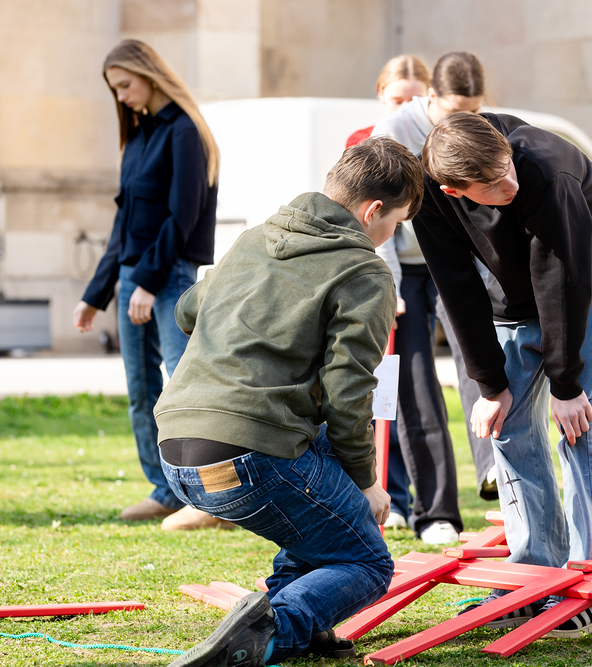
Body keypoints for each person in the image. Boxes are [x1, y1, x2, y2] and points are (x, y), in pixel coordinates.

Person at [153, 136, 424, 667]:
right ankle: (269, 631)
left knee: (319, 502)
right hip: (250, 454)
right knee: (367, 562)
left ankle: (300, 619)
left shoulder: (254, 239)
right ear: (372, 211)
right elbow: (348, 392)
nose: (392, 235)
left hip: (177, 453)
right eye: (397, 222)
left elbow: (187, 311)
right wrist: (367, 482)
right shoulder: (365, 272)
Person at [415, 112, 592, 635]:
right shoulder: (431, 195)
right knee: (507, 424)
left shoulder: (543, 169)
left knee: (579, 426)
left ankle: (590, 590)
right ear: (455, 191)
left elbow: (562, 278)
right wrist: (491, 385)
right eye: (492, 185)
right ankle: (532, 575)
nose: (508, 184)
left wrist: (566, 383)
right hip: (514, 292)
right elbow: (457, 288)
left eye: (506, 169)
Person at [72, 39, 226, 531]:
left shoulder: (184, 131)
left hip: (168, 273)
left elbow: (183, 216)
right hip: (133, 276)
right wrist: (94, 295)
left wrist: (148, 282)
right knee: (142, 391)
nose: (121, 96)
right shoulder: (137, 137)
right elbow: (124, 226)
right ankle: (166, 491)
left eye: (125, 85)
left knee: (185, 388)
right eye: (114, 89)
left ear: (149, 74)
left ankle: (210, 497)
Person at [365, 51, 494, 544]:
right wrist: (390, 283)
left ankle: (498, 476)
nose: (466, 121)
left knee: (483, 363)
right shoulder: (394, 130)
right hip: (407, 270)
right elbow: (377, 211)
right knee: (416, 385)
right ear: (432, 97)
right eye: (456, 111)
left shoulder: (482, 126)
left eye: (474, 111)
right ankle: (436, 513)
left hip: (455, 265)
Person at [346, 54, 431, 532]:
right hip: (382, 279)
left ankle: (405, 498)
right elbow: (372, 224)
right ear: (381, 95)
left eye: (415, 99)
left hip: (419, 277)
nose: (406, 107)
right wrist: (387, 284)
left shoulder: (428, 139)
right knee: (381, 392)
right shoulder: (363, 144)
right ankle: (388, 493)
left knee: (407, 390)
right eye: (398, 98)